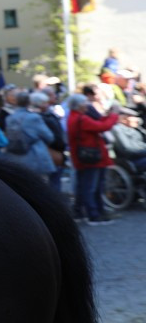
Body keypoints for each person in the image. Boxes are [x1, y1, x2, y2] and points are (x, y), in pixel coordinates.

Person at [67, 93, 119, 225]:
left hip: (86, 157)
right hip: (91, 158)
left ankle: (83, 211)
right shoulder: (81, 119)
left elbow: (99, 123)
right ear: (78, 105)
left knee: (85, 186)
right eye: (85, 103)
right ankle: (93, 214)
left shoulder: (76, 117)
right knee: (91, 187)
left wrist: (108, 116)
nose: (88, 105)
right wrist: (113, 116)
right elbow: (101, 126)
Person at [4, 92, 58, 186]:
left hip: (15, 156)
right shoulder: (33, 118)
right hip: (34, 156)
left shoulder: (9, 118)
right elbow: (49, 137)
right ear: (29, 102)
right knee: (39, 187)